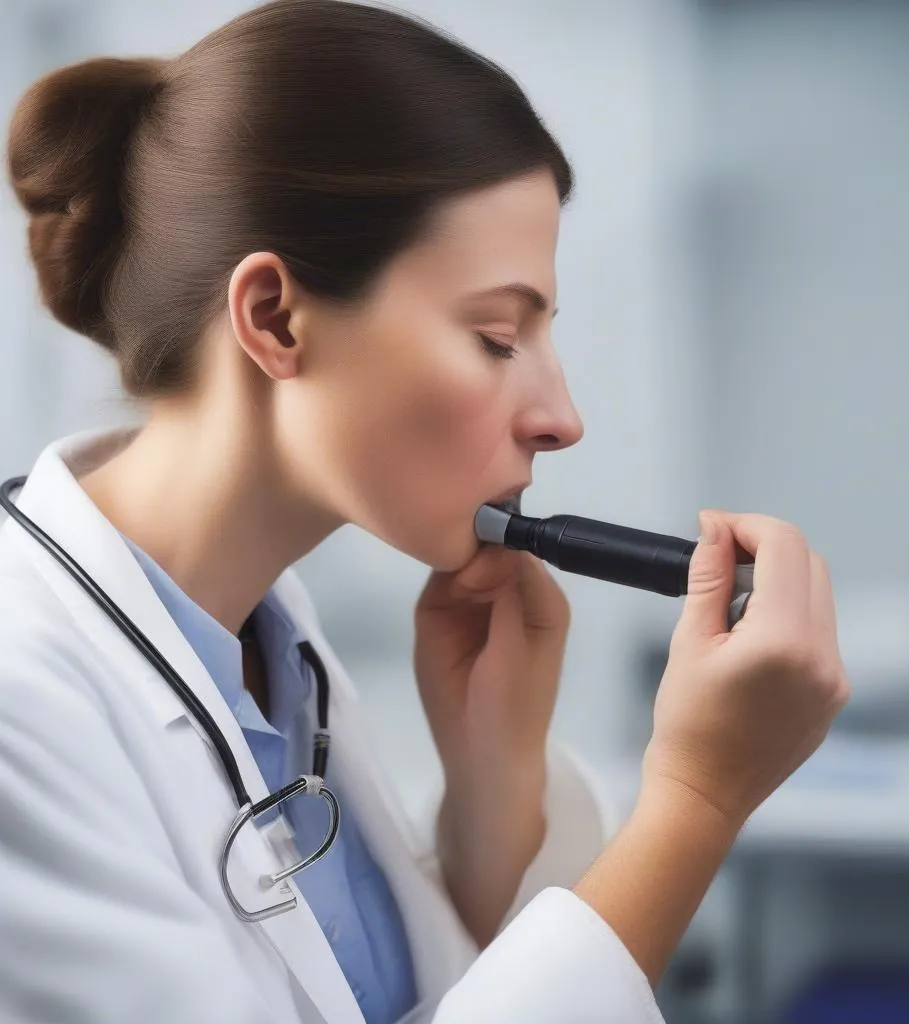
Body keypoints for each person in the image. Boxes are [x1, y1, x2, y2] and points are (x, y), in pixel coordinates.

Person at [0, 1, 849, 1021]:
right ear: (274, 317)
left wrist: (494, 788)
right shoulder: (21, 700)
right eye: (496, 336)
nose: (561, 419)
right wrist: (697, 802)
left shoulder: (273, 648)